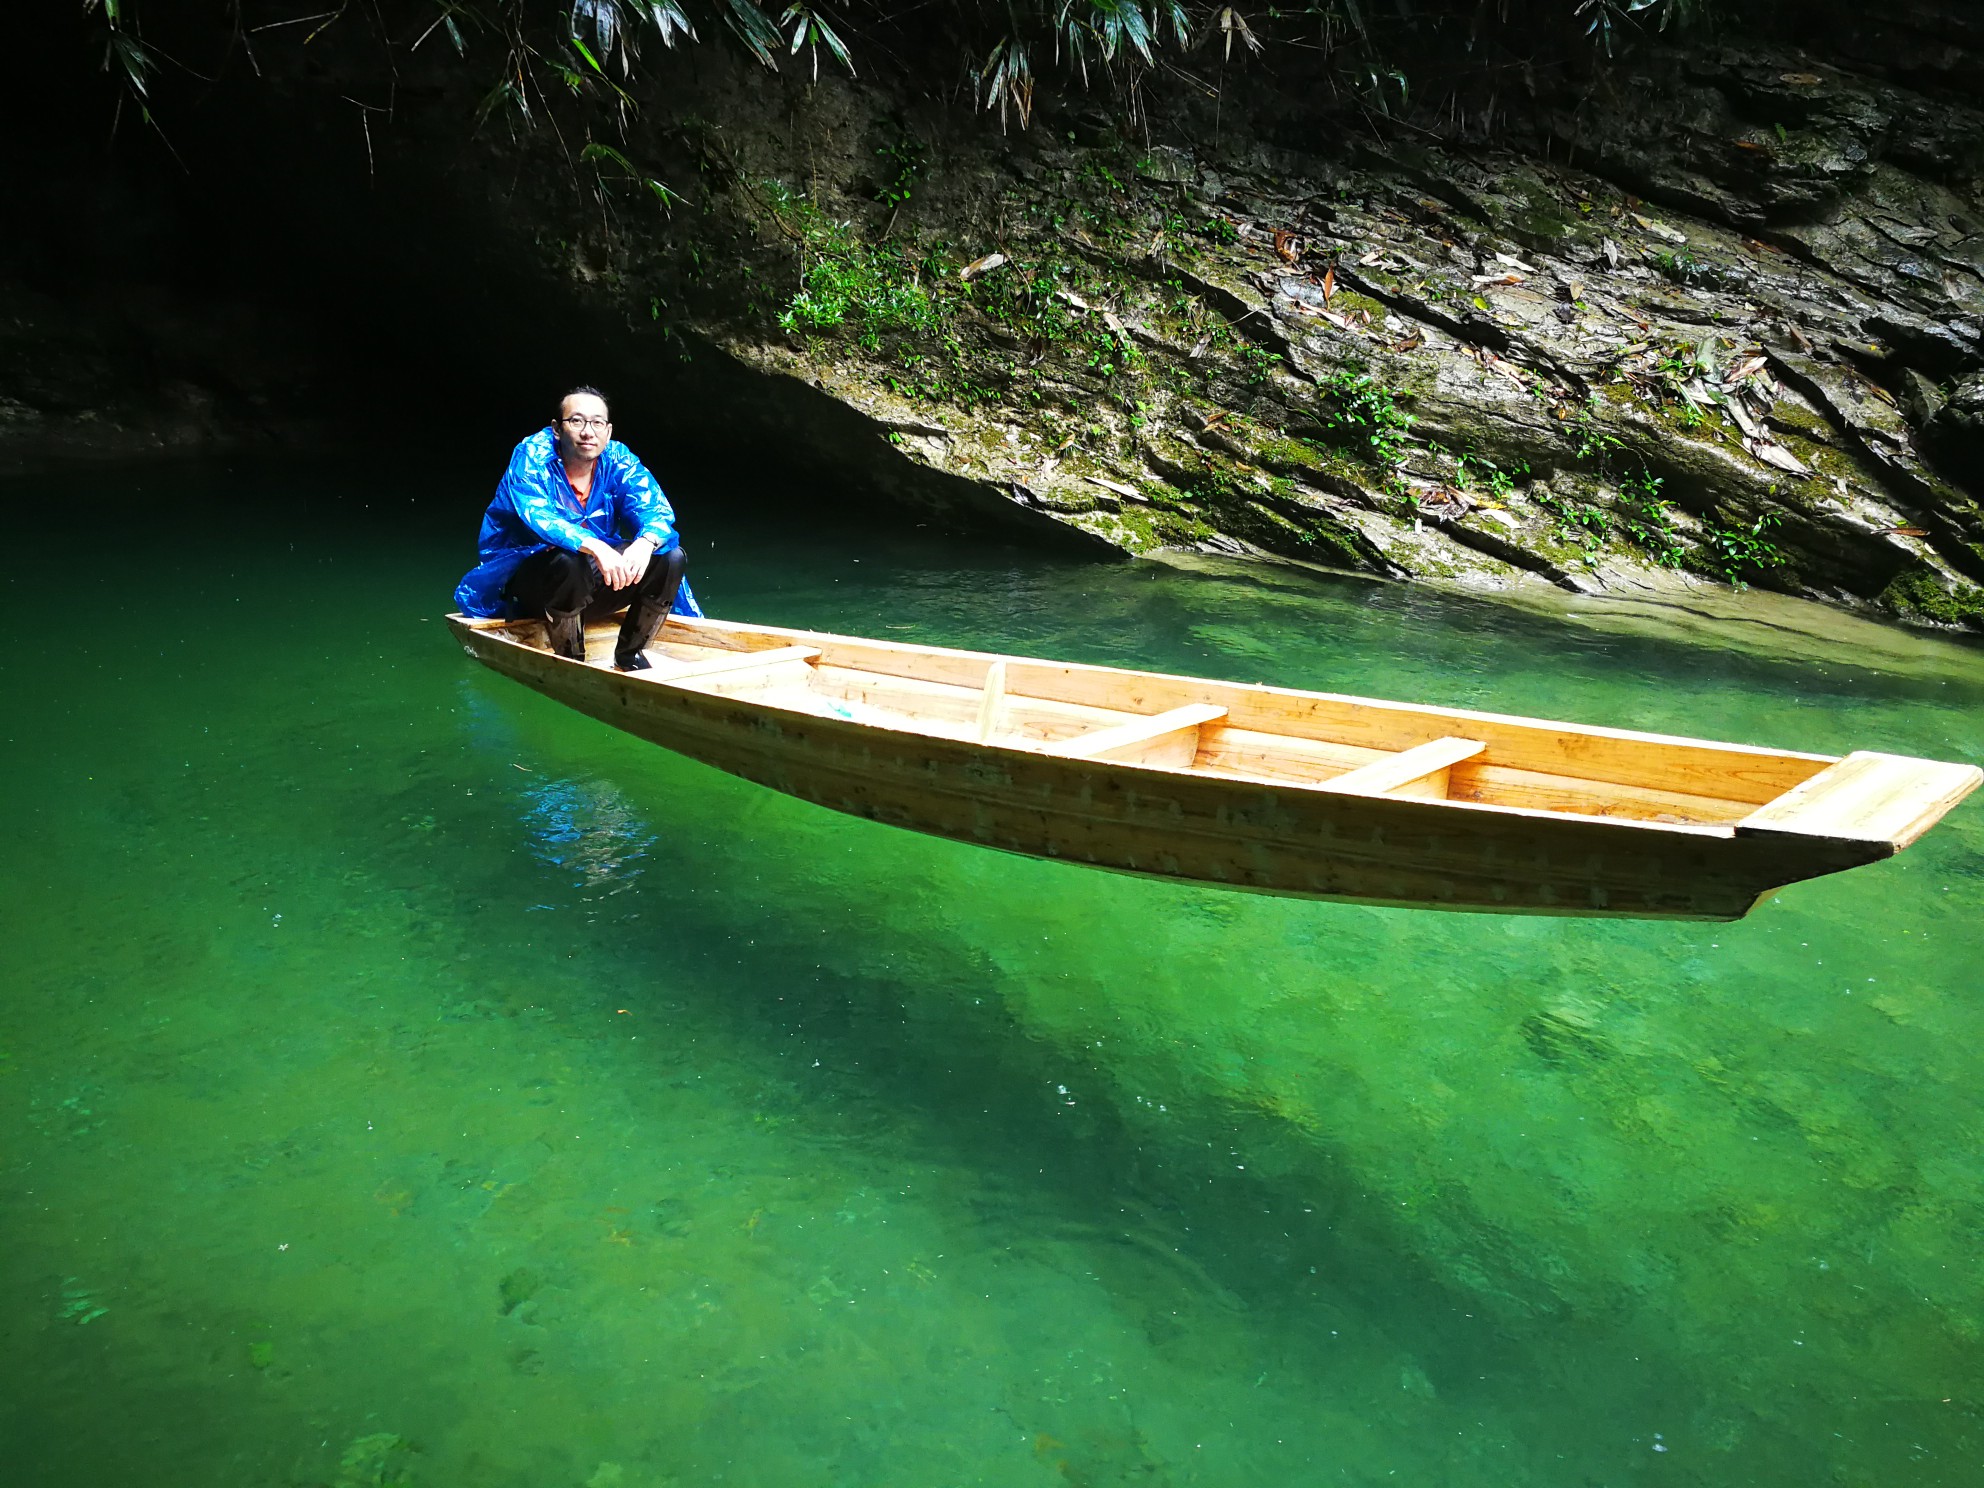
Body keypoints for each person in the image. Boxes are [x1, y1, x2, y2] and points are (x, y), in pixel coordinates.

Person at [453, 387, 701, 669]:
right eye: (577, 421)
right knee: (569, 561)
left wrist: (644, 543)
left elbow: (654, 509)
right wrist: (595, 546)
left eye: (597, 423)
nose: (588, 432)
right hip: (535, 581)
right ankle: (571, 659)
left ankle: (631, 655)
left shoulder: (618, 459)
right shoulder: (532, 456)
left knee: (670, 557)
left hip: (593, 578)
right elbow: (538, 514)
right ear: (557, 429)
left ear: (607, 432)